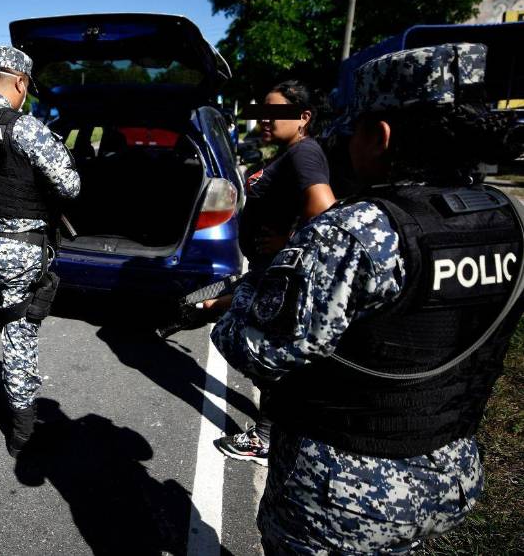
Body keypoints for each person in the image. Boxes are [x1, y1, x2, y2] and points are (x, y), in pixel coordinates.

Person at [211, 43, 523, 554]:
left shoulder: (359, 233)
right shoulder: (508, 218)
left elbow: (258, 350)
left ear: (379, 135)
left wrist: (244, 295)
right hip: (450, 476)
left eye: (354, 131)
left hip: (344, 494)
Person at [0, 46, 80, 456]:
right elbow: (70, 186)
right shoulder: (24, 128)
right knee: (19, 333)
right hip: (20, 251)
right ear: (20, 83)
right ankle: (22, 431)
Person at [213, 80, 336, 466]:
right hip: (268, 271)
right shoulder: (291, 152)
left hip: (279, 276)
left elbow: (325, 210)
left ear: (303, 117)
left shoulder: (304, 153)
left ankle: (266, 440)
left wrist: (290, 240)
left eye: (276, 111)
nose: (265, 118)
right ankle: (273, 432)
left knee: (262, 354)